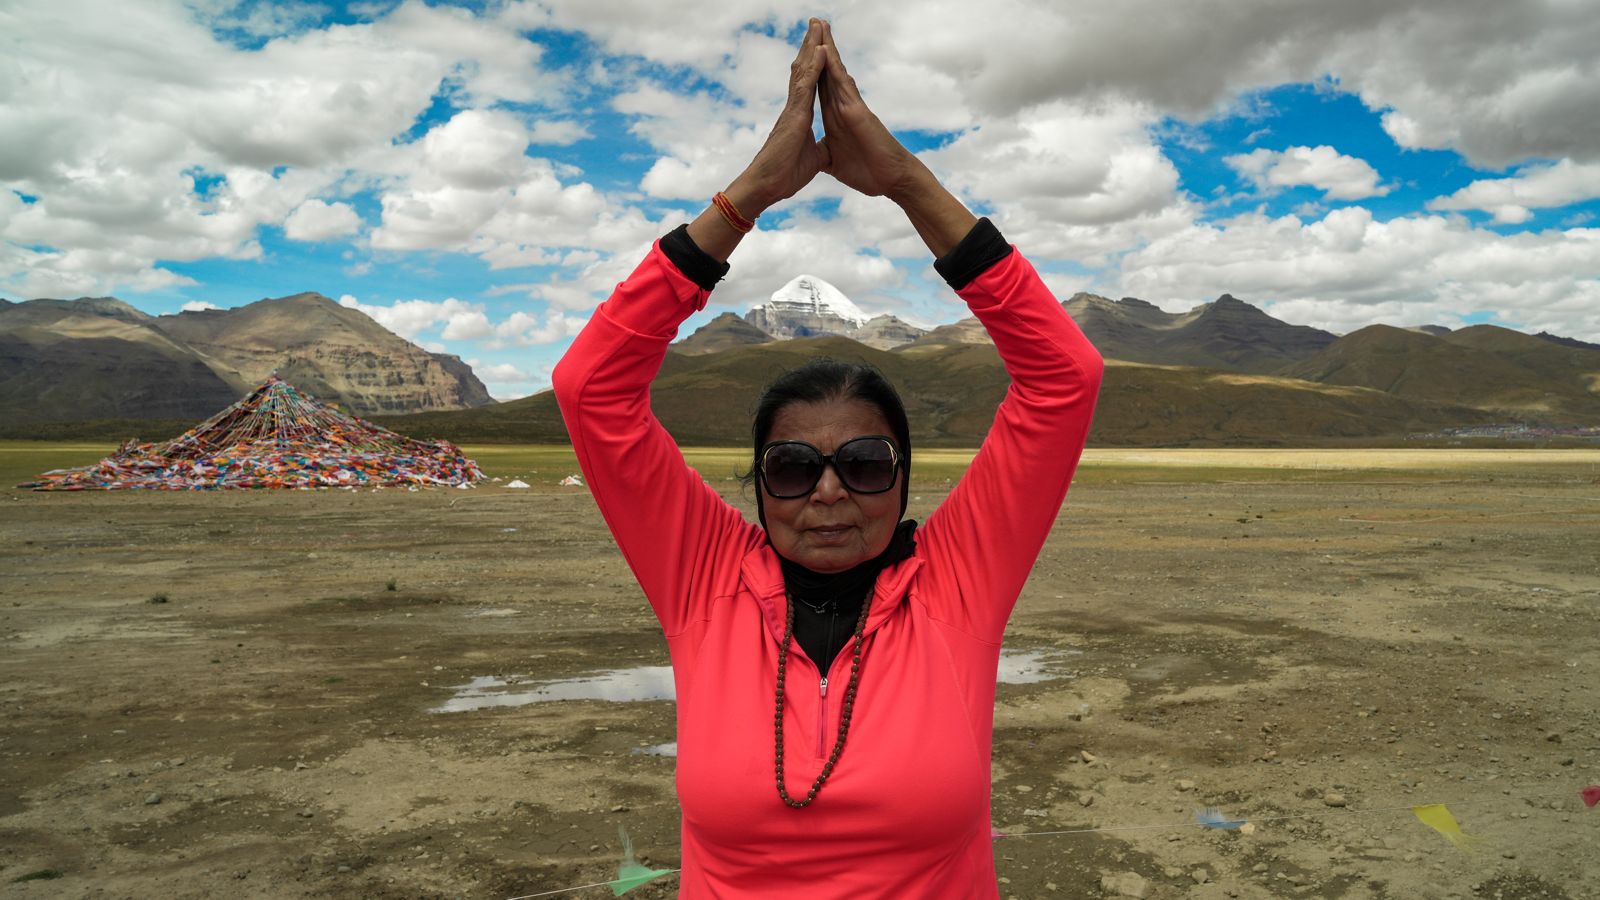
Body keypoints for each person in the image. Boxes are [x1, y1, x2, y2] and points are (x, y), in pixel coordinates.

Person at [552, 18, 1103, 898]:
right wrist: (747, 197)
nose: (831, 492)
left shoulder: (958, 583)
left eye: (867, 463)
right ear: (760, 484)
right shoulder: (704, 579)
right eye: (794, 467)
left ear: (903, 477)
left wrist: (907, 182)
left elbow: (1064, 377)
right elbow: (591, 389)